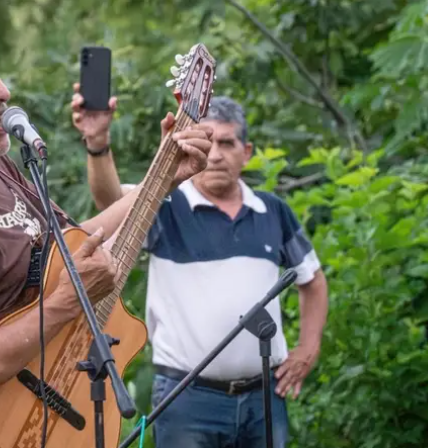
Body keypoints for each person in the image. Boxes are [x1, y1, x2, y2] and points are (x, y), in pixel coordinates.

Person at [0, 18, 214, 448]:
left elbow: (74, 239)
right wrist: (66, 302)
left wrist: (163, 177)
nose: (1, 90)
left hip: (56, 412)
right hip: (1, 433)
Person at [73, 91, 329, 447]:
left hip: (264, 397)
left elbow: (312, 280)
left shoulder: (272, 211)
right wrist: (98, 144)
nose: (216, 154)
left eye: (227, 143)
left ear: (247, 152)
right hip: (186, 397)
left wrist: (308, 348)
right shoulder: (167, 203)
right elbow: (111, 203)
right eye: (208, 141)